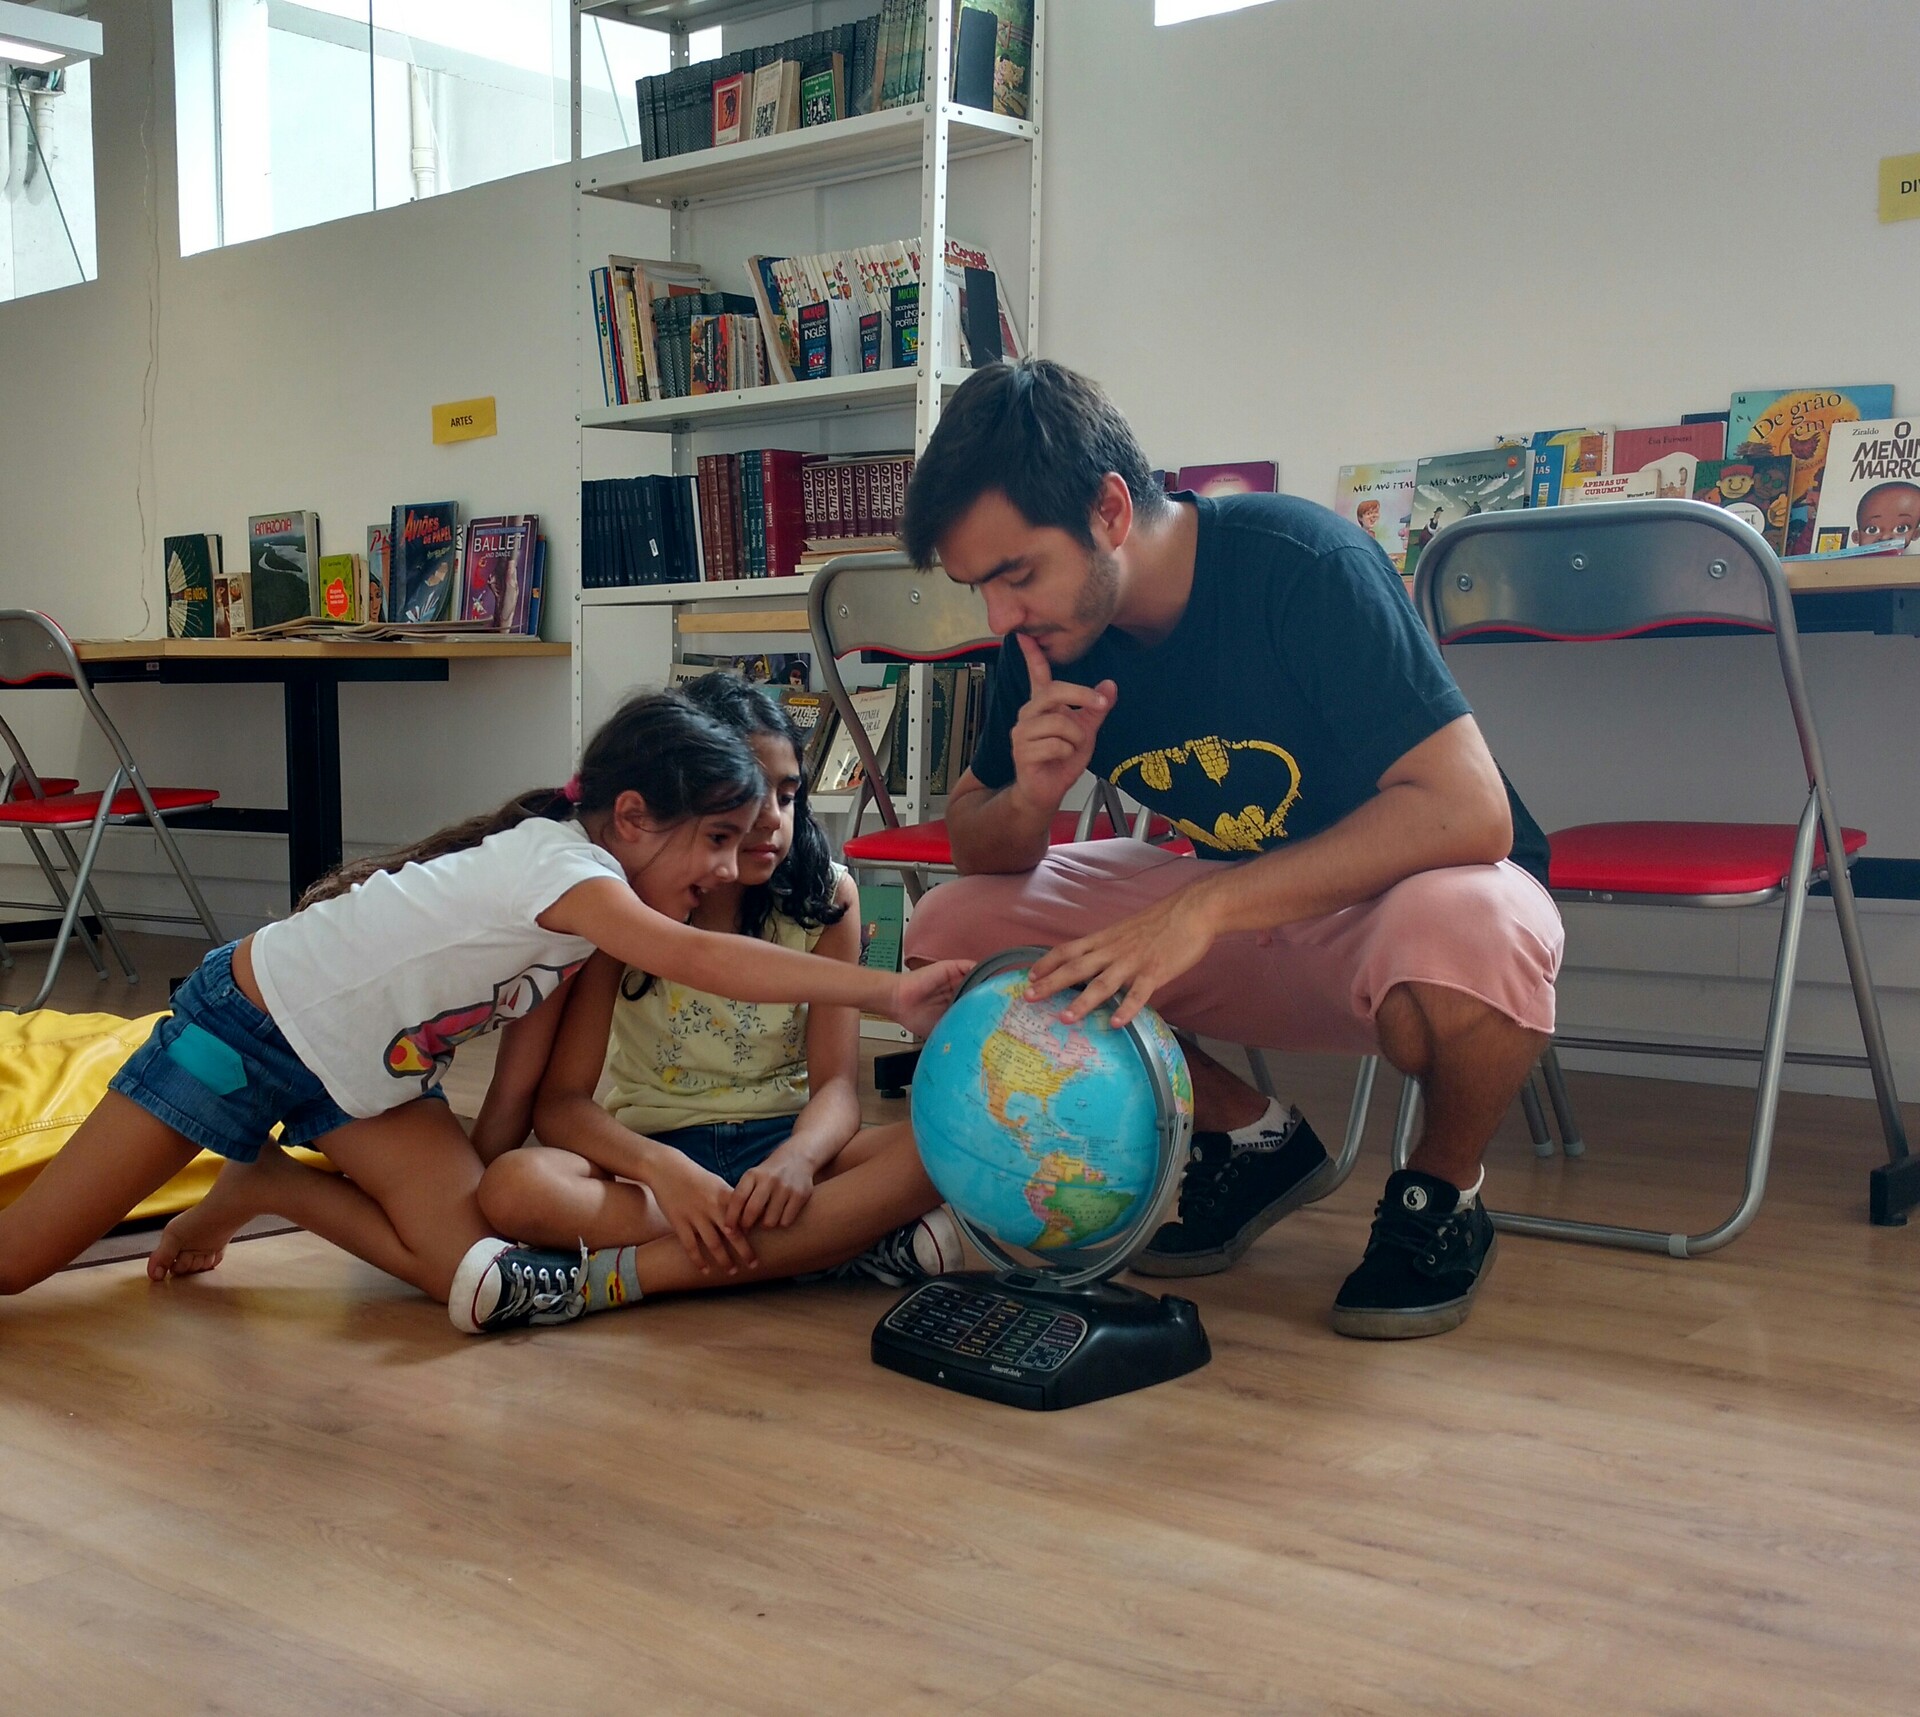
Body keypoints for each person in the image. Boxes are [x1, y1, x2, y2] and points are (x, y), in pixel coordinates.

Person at [897, 359, 1564, 1339]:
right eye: (977, 587)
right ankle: (1249, 1136)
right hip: (1231, 898)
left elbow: (1470, 813)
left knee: (1478, 925)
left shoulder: (1303, 564)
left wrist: (1198, 909)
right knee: (951, 933)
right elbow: (976, 849)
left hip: (1396, 906)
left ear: (1111, 508)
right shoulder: (1045, 634)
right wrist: (1032, 795)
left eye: (1015, 574)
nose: (998, 615)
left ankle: (1441, 1192)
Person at [0, 691, 969, 1314]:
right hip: (244, 1032)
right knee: (16, 1262)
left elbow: (527, 1085)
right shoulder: (570, 871)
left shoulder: (591, 890)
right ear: (631, 817)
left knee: (490, 1282)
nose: (728, 866)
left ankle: (270, 1186)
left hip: (368, 1084)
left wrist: (494, 1161)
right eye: (715, 838)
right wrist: (891, 987)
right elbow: (702, 959)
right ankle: (254, 1179)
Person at [464, 673, 961, 1332]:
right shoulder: (621, 904)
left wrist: (798, 1160)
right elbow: (562, 1105)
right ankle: (828, 1248)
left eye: (787, 796)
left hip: (782, 1152)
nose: (773, 822)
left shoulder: (828, 898)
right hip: (653, 1160)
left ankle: (618, 1278)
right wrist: (663, 1169)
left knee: (946, 1146)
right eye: (748, 798)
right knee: (514, 1185)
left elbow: (838, 1087)